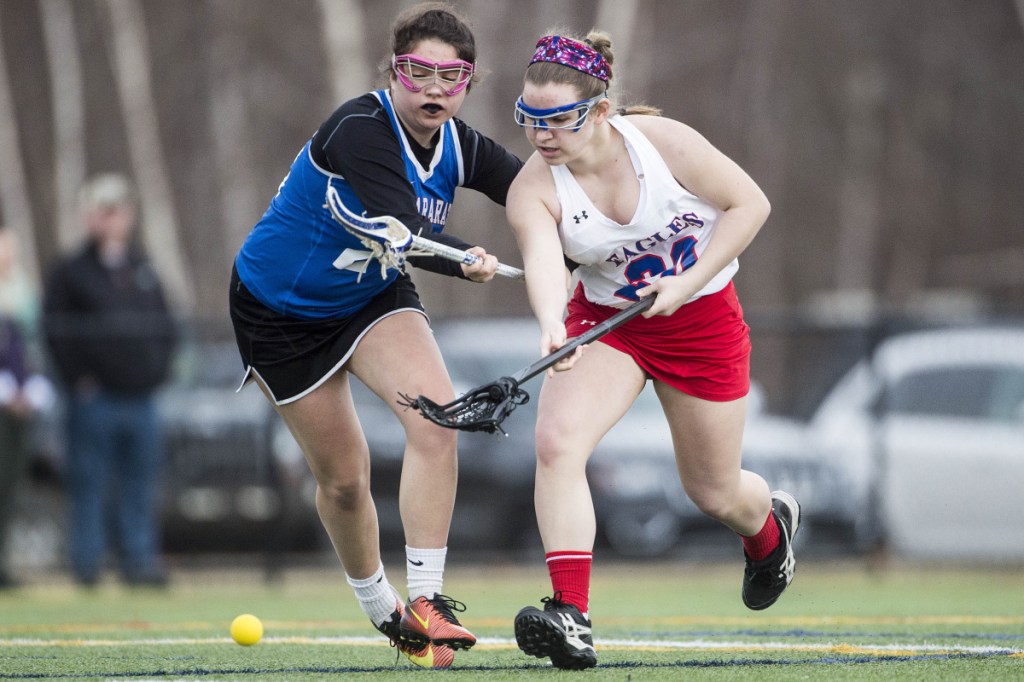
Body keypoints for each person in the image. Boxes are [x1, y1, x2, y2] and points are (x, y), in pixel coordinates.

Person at [228, 2, 522, 669]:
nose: (435, 88)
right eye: (419, 71)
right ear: (395, 72)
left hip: (371, 296)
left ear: (470, 82)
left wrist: (597, 236)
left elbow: (529, 189)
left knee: (436, 421)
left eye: (453, 76)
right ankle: (383, 610)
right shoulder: (359, 128)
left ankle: (428, 599)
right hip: (281, 312)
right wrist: (464, 254)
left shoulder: (460, 143)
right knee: (344, 479)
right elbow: (402, 228)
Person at [505, 32, 801, 669]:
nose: (542, 134)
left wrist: (688, 283)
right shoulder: (533, 187)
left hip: (702, 320)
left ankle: (770, 531)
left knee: (714, 493)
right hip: (610, 323)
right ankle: (571, 614)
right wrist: (552, 324)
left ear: (601, 111)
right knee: (557, 445)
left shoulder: (664, 145)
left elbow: (750, 203)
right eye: (529, 118)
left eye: (559, 118)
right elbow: (541, 261)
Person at [43, 173, 177, 588]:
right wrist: (78, 379)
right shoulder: (70, 271)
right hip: (94, 400)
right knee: (90, 482)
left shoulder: (144, 269)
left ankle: (138, 563)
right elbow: (56, 330)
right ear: (91, 217)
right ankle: (87, 565)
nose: (113, 219)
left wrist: (158, 374)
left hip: (141, 398)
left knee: (139, 484)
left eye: (119, 210)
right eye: (104, 211)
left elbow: (167, 326)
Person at [0, 229, 53, 589]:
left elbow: (30, 352)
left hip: (18, 409)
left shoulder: (22, 297)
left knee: (9, 486)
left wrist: (29, 389)